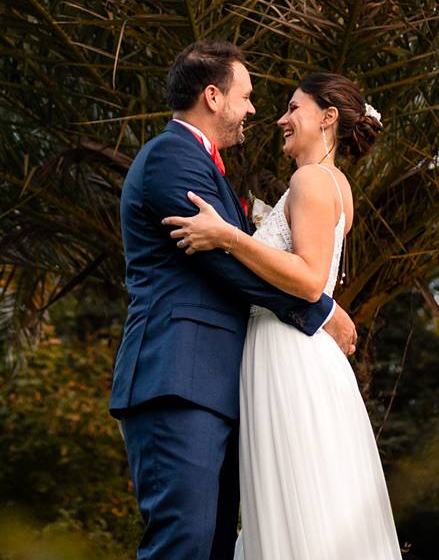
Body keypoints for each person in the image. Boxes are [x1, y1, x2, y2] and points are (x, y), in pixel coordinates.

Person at [110, 41, 358, 559]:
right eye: (245, 97)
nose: (254, 110)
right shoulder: (170, 157)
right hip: (177, 378)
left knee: (216, 546)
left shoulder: (210, 167)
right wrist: (319, 311)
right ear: (213, 97)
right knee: (185, 543)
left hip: (218, 386)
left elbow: (238, 251)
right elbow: (220, 263)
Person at [166, 70, 402, 559]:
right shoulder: (332, 184)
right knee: (303, 501)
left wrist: (230, 237)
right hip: (290, 348)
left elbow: (310, 278)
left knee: (295, 501)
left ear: (328, 117)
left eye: (294, 108)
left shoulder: (312, 179)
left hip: (288, 354)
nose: (281, 119)